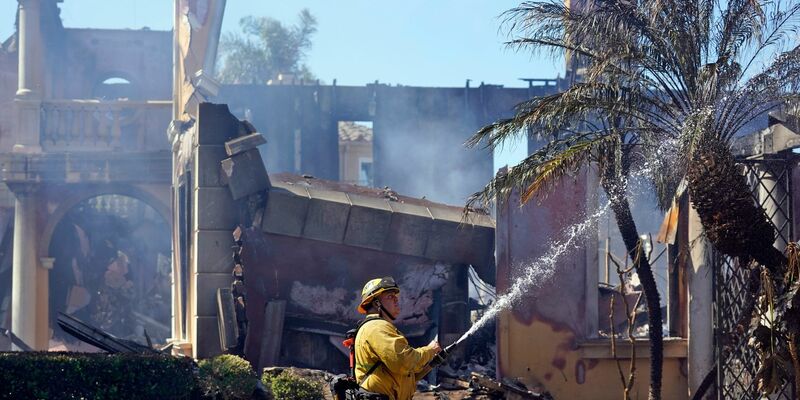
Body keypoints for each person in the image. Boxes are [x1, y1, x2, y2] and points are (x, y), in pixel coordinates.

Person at [354, 277, 441, 400]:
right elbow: (404, 362)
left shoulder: (375, 327)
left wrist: (432, 362)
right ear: (376, 303)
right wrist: (430, 350)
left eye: (396, 296)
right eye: (390, 296)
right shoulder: (377, 327)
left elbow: (402, 374)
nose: (396, 300)